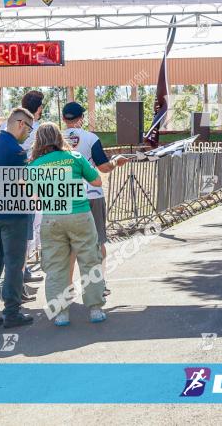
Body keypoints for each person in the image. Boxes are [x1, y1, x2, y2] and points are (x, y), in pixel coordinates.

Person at [29, 122, 106, 326]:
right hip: (80, 214)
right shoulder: (76, 158)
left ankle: (61, 313)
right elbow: (97, 181)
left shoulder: (35, 165)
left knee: (55, 267)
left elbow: (31, 194)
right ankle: (95, 309)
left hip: (51, 218)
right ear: (58, 138)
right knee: (90, 260)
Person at [0, 107, 35, 329]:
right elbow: (25, 183)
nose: (28, 134)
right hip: (13, 213)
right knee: (13, 263)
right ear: (20, 124)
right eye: (28, 129)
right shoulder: (17, 150)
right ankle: (12, 312)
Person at [62, 102, 128, 297]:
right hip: (91, 194)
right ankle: (98, 284)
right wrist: (116, 162)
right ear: (81, 118)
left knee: (70, 244)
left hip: (66, 196)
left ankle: (67, 287)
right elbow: (104, 167)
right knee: (98, 241)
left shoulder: (55, 139)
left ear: (65, 119)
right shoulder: (91, 138)